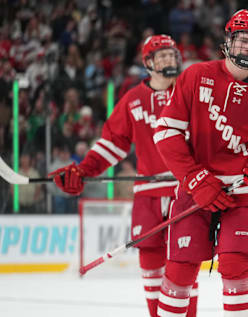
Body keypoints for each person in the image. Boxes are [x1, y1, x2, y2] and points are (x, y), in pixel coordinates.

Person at [153, 9, 248, 317]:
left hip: (242, 194)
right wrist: (195, 179)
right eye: (242, 39)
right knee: (180, 267)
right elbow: (165, 133)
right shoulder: (196, 75)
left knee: (235, 264)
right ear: (228, 41)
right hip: (196, 189)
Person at [50, 35, 189, 317]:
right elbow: (111, 144)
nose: (168, 60)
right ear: (148, 63)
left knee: (184, 264)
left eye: (171, 55)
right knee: (150, 264)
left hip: (185, 190)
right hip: (147, 193)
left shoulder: (189, 92)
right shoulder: (133, 100)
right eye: (161, 56)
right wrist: (83, 170)